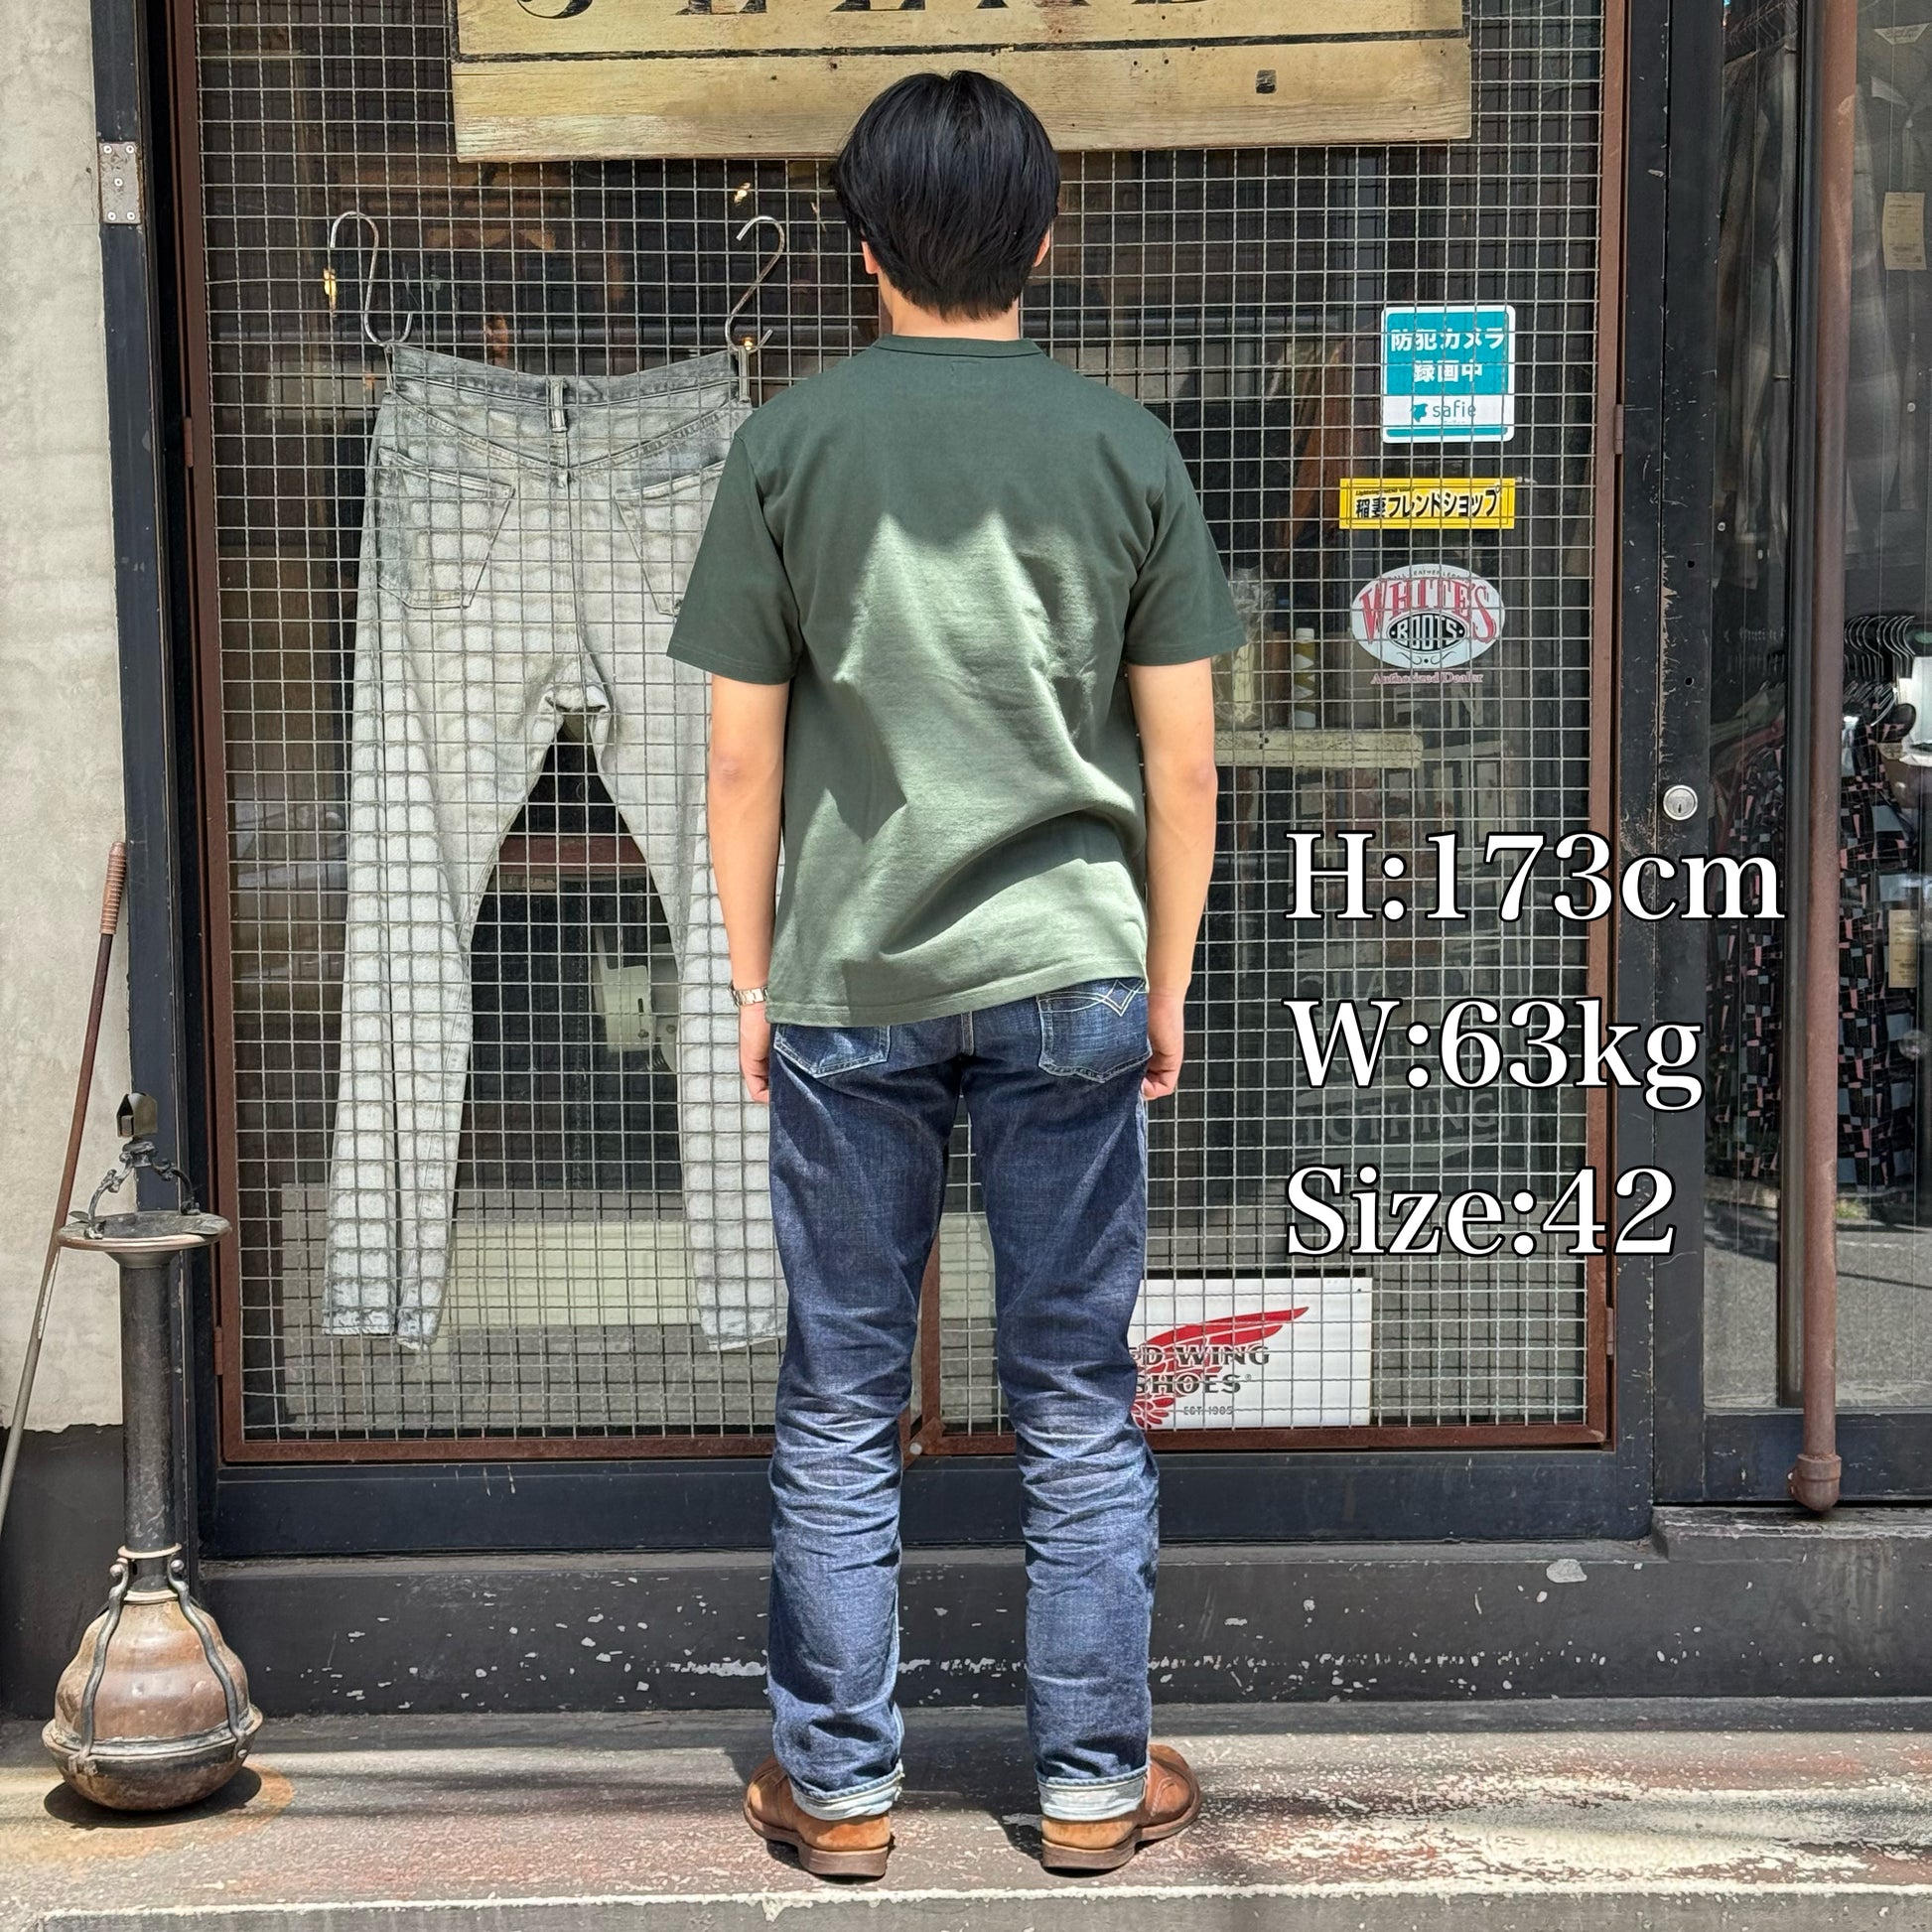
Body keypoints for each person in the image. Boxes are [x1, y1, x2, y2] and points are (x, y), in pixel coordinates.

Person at [667, 69, 1242, 1880]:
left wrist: (750, 979)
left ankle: (840, 1792)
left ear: (860, 247)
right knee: (1072, 1388)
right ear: (1043, 240)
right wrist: (1167, 975)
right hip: (1074, 962)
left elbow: (740, 760)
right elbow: (1185, 769)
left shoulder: (787, 446)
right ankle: (1087, 1788)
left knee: (843, 1390)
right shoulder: (1124, 449)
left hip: (850, 979)